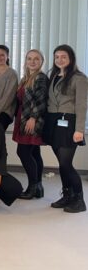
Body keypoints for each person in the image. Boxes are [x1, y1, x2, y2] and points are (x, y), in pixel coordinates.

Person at [43, 45, 87, 213]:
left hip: (69, 122)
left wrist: (80, 130)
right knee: (62, 165)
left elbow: (82, 105)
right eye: (57, 57)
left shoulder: (79, 78)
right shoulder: (54, 75)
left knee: (66, 164)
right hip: (53, 122)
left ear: (71, 59)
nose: (60, 60)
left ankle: (79, 200)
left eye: (63, 57)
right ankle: (67, 195)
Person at [12, 49, 48, 199]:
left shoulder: (40, 78)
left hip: (31, 120)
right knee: (34, 153)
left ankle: (32, 187)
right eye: (29, 58)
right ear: (25, 61)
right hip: (23, 118)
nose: (32, 61)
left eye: (36, 59)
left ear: (41, 62)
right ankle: (38, 187)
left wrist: (33, 118)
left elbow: (41, 100)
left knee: (23, 152)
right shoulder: (26, 78)